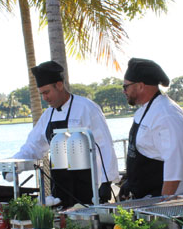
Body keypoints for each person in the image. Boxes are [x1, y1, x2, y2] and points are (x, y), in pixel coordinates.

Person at [10, 61, 119, 206]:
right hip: (60, 189)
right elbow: (33, 146)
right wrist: (13, 166)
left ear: (59, 85)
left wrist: (107, 182)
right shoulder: (47, 115)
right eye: (41, 94)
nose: (45, 98)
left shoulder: (86, 107)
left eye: (47, 92)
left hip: (90, 187)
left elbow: (105, 145)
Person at [119, 58, 183, 199]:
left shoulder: (167, 115)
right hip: (146, 197)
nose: (124, 91)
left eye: (126, 87)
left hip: (171, 199)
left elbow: (174, 164)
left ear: (140, 86)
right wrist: (130, 182)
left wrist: (163, 204)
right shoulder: (145, 110)